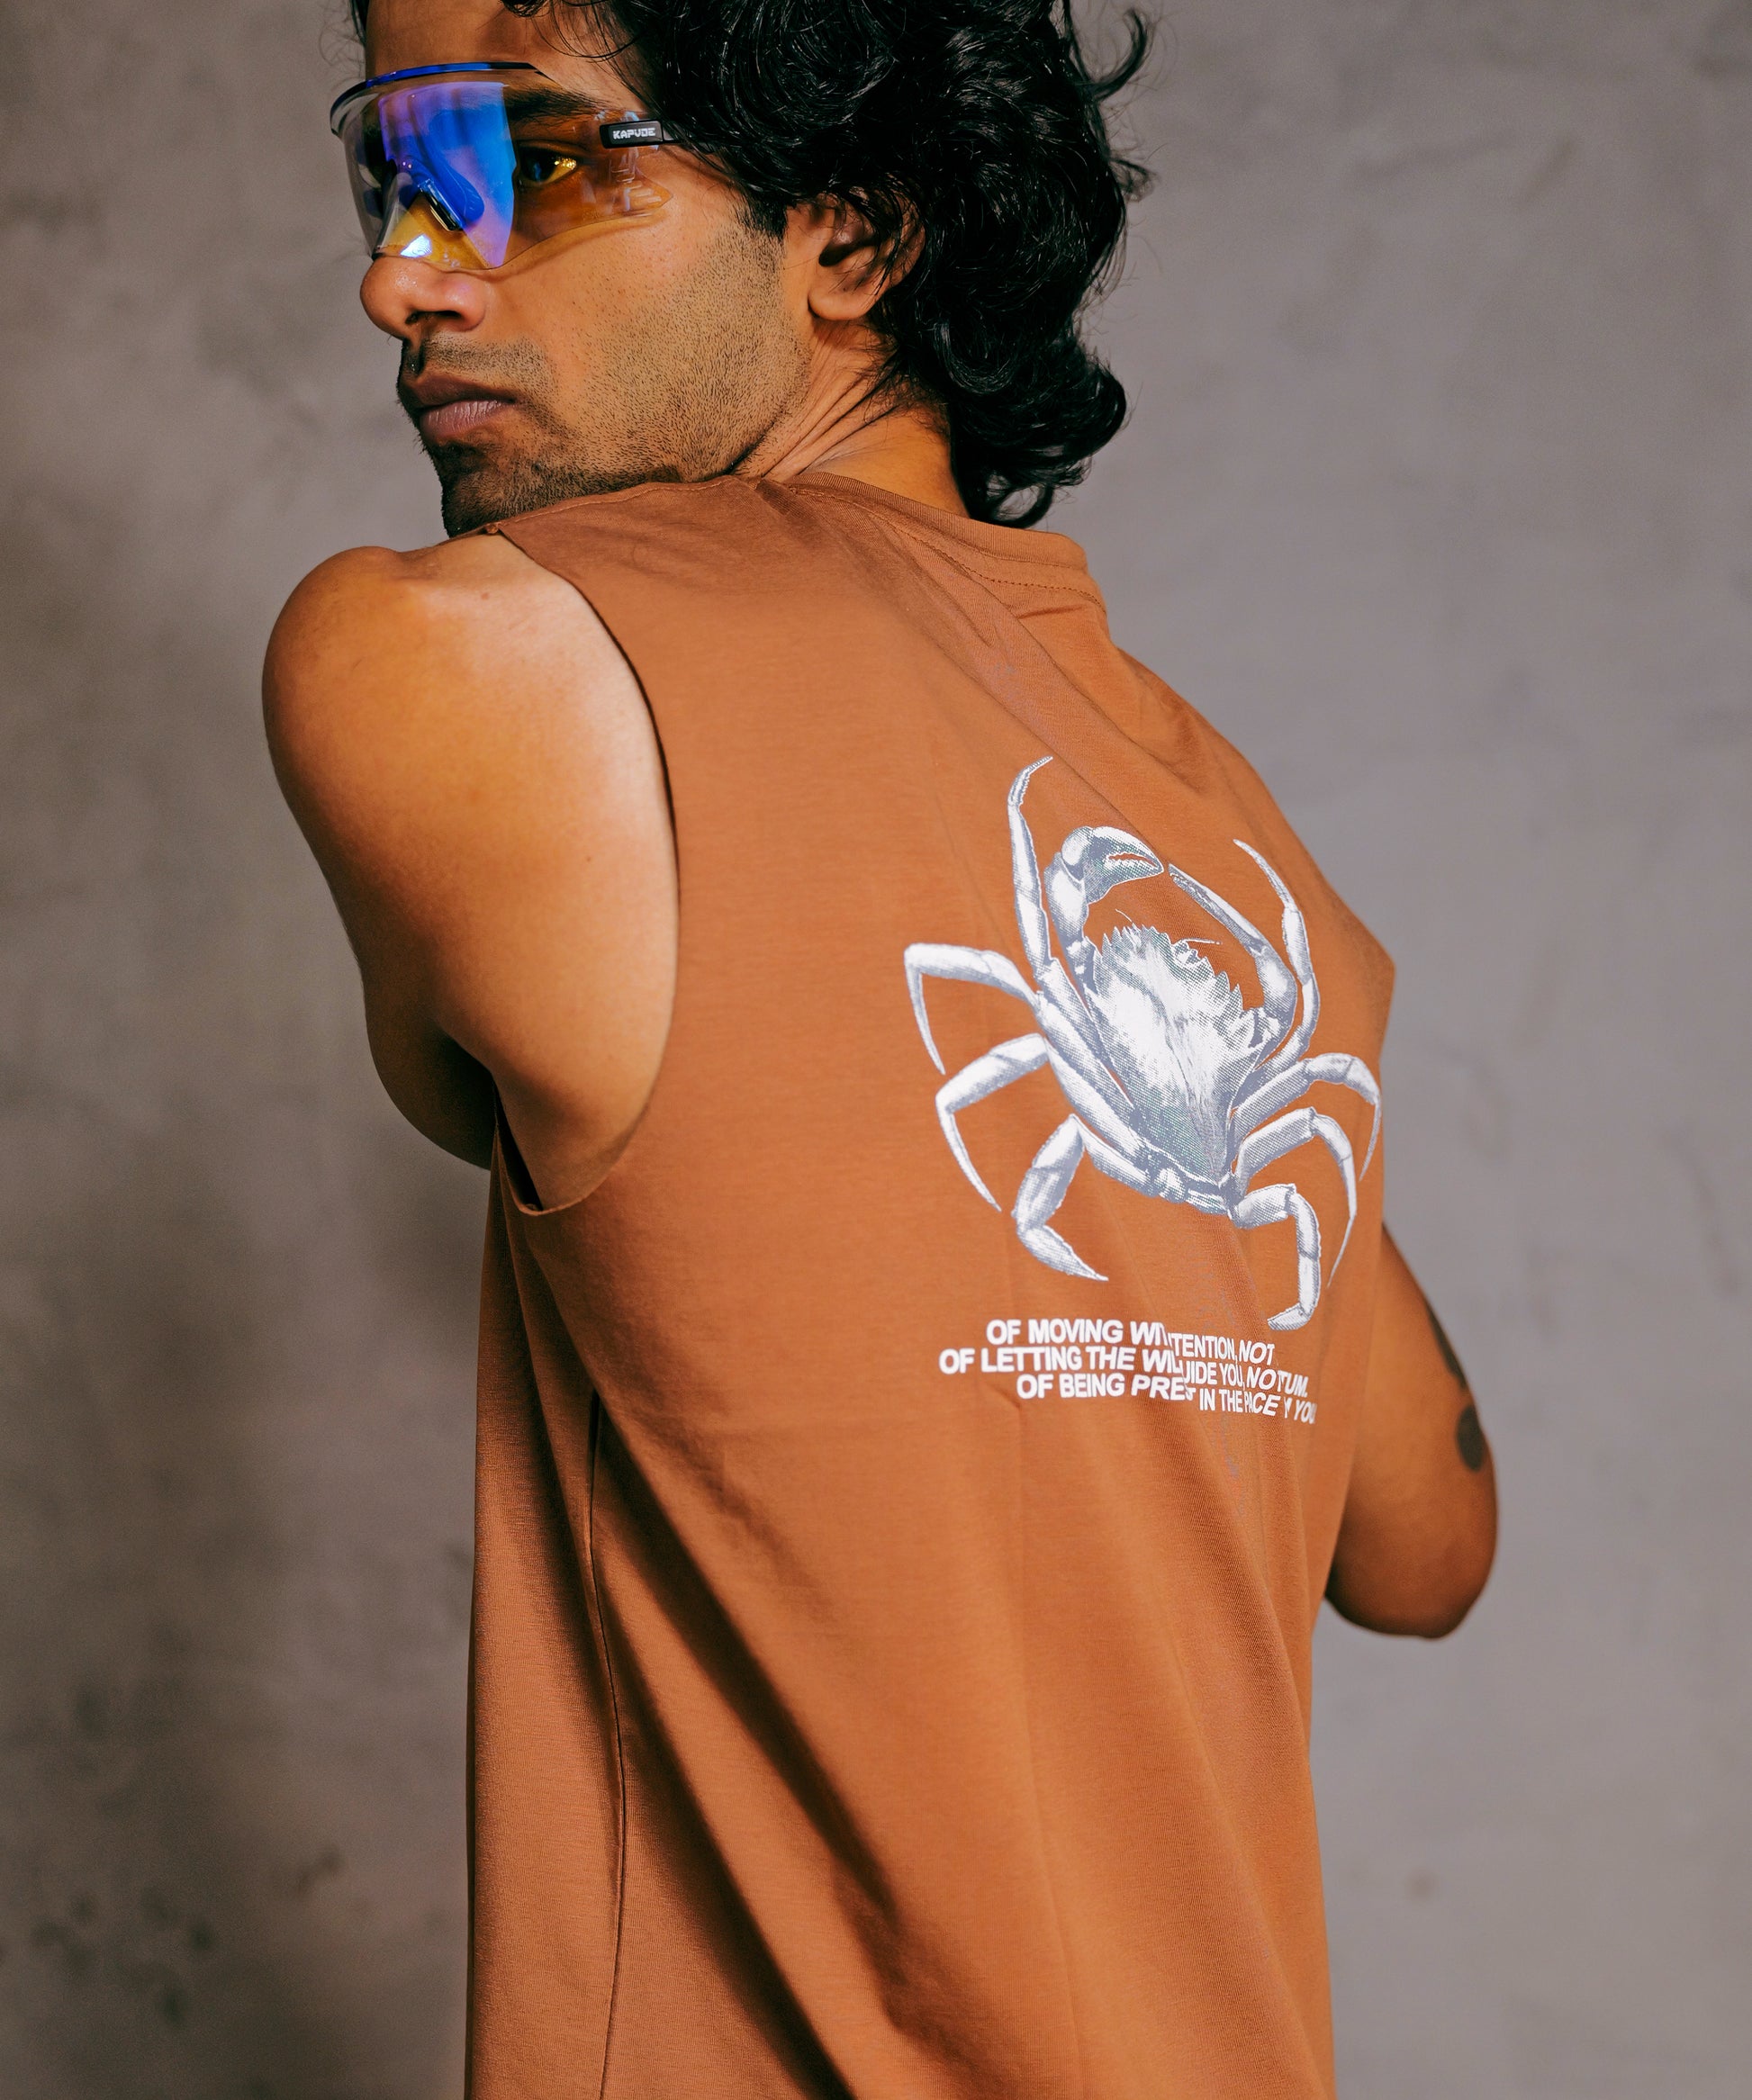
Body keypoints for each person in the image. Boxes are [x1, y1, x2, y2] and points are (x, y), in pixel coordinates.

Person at [265, 0, 1497, 2092]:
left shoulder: (464, 669)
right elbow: (1425, 1542)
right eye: (396, 170)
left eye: (522, 162)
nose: (406, 275)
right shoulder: (1244, 860)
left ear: (847, 232)